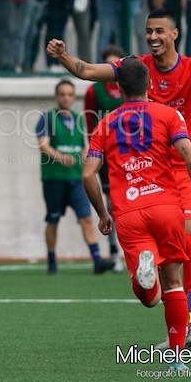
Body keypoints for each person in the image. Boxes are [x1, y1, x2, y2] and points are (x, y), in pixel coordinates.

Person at [46, 7, 191, 346]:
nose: (153, 37)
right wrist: (63, 54)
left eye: (159, 31)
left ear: (174, 34)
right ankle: (181, 332)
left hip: (180, 173)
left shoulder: (190, 69)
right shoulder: (137, 67)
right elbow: (85, 71)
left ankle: (189, 323)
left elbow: (89, 172)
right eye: (148, 31)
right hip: (159, 173)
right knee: (176, 257)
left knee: (188, 246)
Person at [82, 57, 191, 370]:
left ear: (118, 88)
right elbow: (189, 156)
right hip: (166, 206)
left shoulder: (104, 123)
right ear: (148, 85)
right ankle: (176, 362)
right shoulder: (168, 113)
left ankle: (146, 280)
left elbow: (88, 174)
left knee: (150, 297)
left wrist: (103, 214)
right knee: (174, 284)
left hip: (128, 211)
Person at [36, 79, 115, 275]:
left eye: (70, 94)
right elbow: (43, 145)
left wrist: (85, 160)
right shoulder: (46, 118)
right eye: (62, 94)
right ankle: (52, 260)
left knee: (86, 218)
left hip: (76, 179)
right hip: (54, 178)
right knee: (53, 220)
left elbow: (83, 147)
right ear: (57, 96)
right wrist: (61, 157)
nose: (66, 98)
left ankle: (97, 260)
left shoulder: (79, 119)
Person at [83, 45, 126, 272]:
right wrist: (95, 152)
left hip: (129, 152)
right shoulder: (94, 91)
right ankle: (114, 252)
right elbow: (90, 124)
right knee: (111, 201)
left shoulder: (129, 87)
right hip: (106, 155)